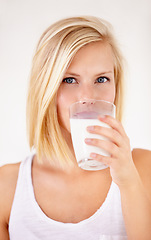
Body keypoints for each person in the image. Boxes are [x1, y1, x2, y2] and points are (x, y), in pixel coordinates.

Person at [0, 16, 151, 240]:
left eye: (101, 79)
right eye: (69, 80)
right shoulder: (7, 186)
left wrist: (128, 181)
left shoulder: (143, 169)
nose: (88, 97)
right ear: (45, 89)